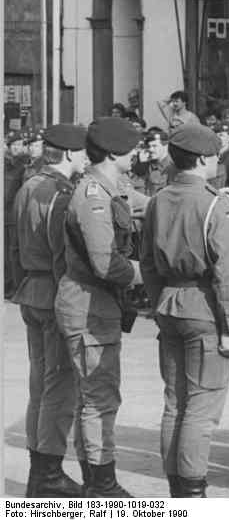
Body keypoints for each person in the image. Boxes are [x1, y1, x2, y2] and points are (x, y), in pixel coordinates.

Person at [140, 124, 229, 498]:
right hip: (204, 308)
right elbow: (228, 272)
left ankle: (178, 490)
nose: (218, 159)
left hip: (170, 303)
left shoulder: (158, 199)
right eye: (215, 154)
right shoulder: (216, 204)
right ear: (203, 159)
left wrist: (159, 302)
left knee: (175, 403)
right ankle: (192, 492)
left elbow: (148, 263)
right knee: (202, 408)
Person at [54, 117, 144, 497]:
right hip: (88, 307)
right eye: (131, 146)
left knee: (94, 397)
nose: (138, 152)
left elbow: (148, 206)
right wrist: (150, 273)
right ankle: (102, 486)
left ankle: (96, 478)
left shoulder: (113, 186)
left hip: (97, 307)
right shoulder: (92, 195)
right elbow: (107, 263)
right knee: (99, 397)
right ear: (112, 152)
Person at [10, 124, 88, 497]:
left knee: (39, 384)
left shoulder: (28, 185)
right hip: (54, 292)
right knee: (60, 387)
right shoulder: (60, 192)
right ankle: (49, 476)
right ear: (71, 154)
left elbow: (12, 243)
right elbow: (63, 254)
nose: (88, 158)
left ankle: (38, 473)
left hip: (30, 290)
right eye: (84, 152)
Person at [5, 131, 28, 298]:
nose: (16, 148)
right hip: (7, 215)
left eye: (19, 145)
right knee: (7, 253)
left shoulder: (25, 166)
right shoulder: (6, 164)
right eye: (14, 145)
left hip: (16, 215)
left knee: (15, 252)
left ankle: (16, 286)